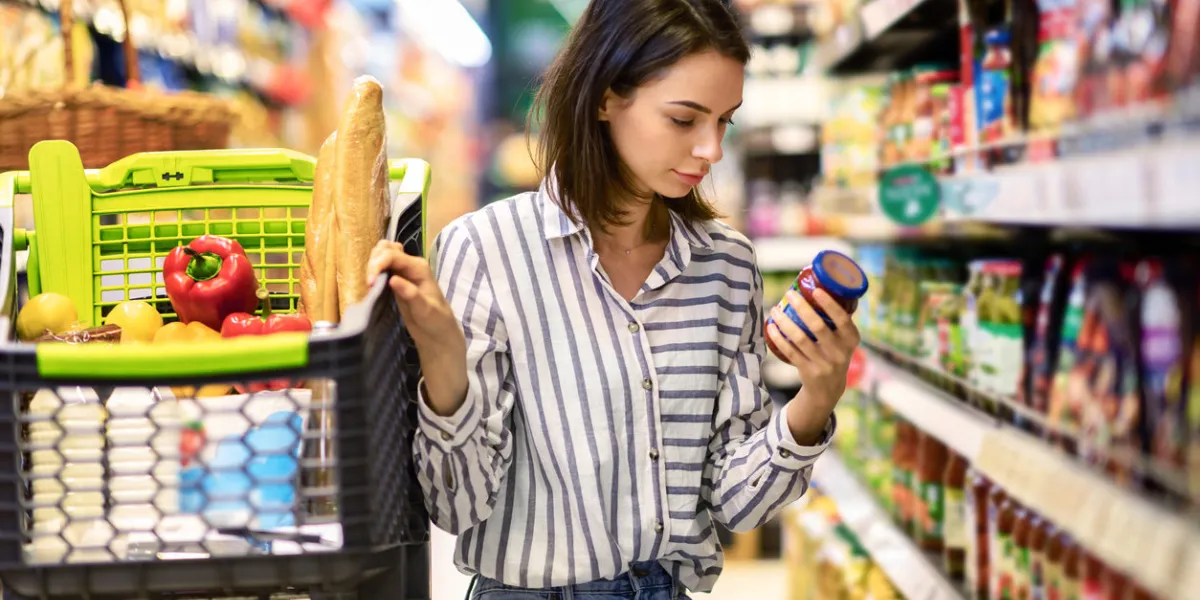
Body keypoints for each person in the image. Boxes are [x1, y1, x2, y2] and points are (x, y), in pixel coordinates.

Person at [366, 0, 861, 598]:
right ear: (605, 97)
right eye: (684, 120)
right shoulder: (487, 248)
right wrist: (445, 366)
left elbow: (736, 504)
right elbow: (457, 504)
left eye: (725, 120)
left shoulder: (725, 266)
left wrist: (816, 398)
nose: (713, 149)